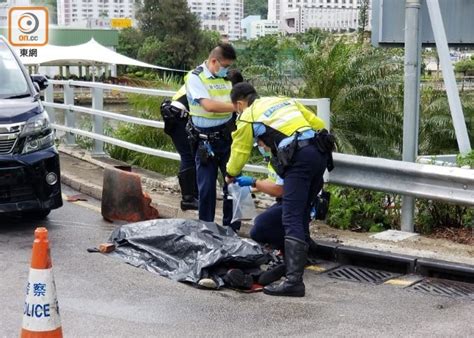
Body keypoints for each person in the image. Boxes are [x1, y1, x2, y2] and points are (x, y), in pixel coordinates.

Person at [225, 83, 334, 297]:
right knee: (301, 211)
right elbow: (318, 123)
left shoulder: (248, 114)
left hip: (299, 159)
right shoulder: (282, 100)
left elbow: (239, 150)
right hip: (319, 153)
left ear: (239, 104)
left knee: (291, 216)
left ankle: (294, 281)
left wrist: (231, 173)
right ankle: (295, 262)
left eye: (236, 109)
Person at [185, 42, 241, 230]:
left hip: (227, 137)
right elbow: (208, 105)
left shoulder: (228, 78)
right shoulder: (195, 78)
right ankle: (207, 231)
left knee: (233, 185)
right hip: (205, 141)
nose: (227, 70)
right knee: (207, 189)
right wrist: (237, 107)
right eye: (224, 66)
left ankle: (231, 230)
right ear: (214, 61)